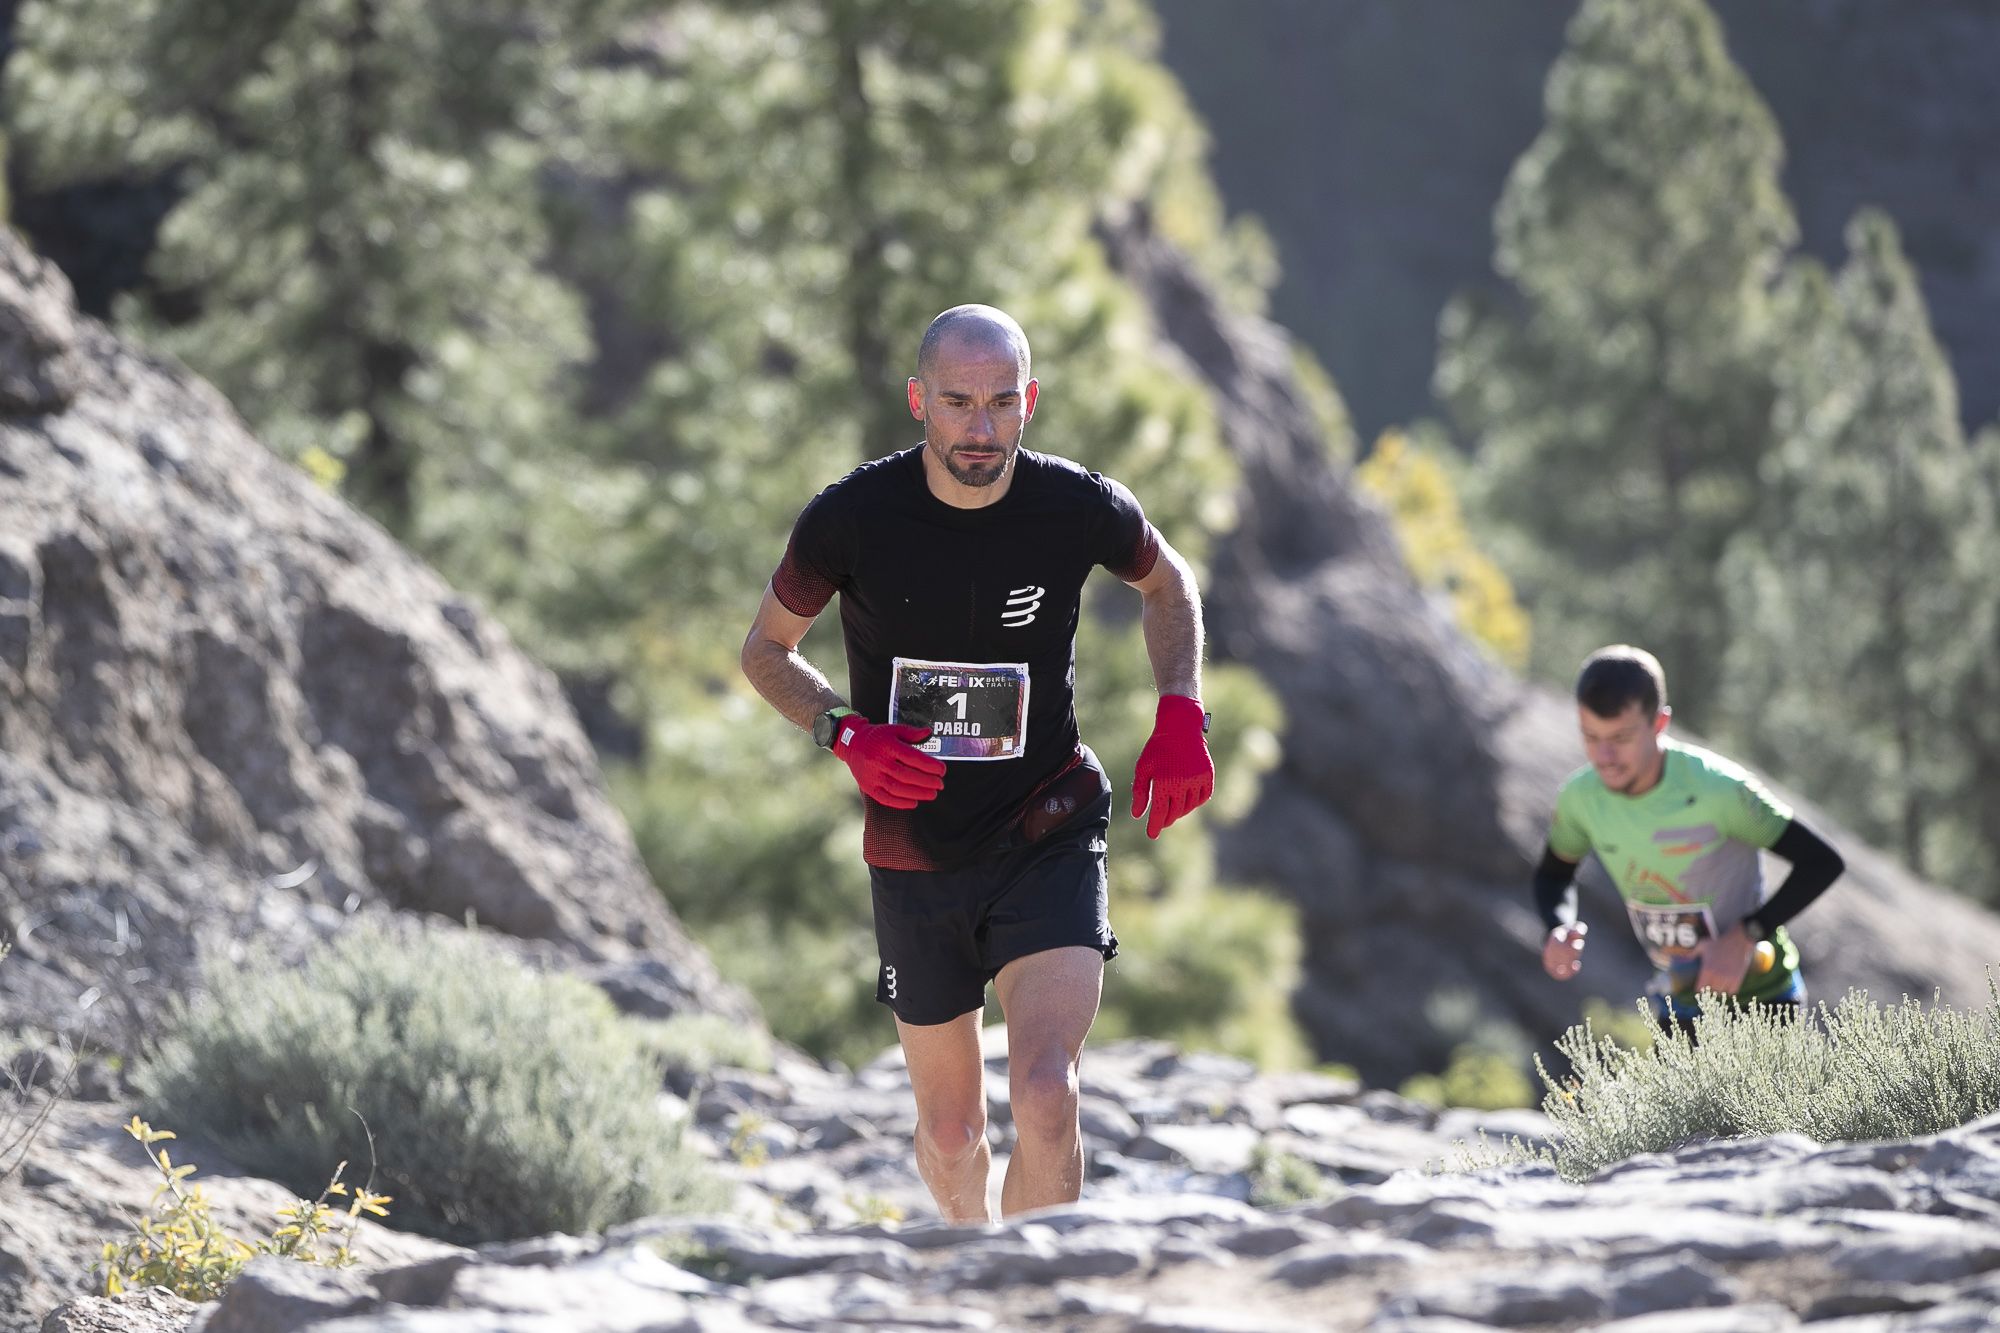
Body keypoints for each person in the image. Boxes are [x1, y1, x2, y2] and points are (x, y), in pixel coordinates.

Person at [741, 304, 1215, 1221]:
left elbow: (1168, 582)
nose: (980, 428)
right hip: (916, 849)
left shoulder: (1077, 505)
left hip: (1048, 825)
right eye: (958, 402)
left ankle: (1042, 1300)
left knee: (1047, 1092)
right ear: (920, 399)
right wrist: (845, 732)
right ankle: (973, 1270)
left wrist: (1182, 707)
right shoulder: (852, 516)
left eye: (1002, 402)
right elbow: (765, 649)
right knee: (954, 1140)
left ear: (1030, 401)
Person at [1533, 645, 1845, 1036]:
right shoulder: (1580, 798)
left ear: (1659, 724)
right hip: (1677, 1004)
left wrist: (1746, 934)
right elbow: (1553, 875)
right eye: (1591, 737)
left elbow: (1822, 862)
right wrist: (1557, 926)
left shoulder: (1718, 789)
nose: (1605, 756)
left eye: (1621, 737)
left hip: (1764, 1002)